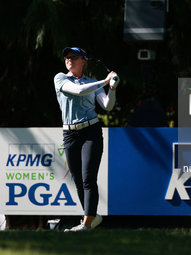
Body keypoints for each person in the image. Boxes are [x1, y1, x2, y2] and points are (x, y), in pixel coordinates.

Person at [54, 47, 119, 231]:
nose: (69, 60)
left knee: (88, 178)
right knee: (77, 180)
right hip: (70, 134)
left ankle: (86, 224)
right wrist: (105, 81)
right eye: (67, 57)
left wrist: (112, 88)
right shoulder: (60, 78)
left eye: (73, 57)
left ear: (83, 61)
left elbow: (107, 105)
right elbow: (79, 91)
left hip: (91, 131)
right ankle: (92, 216)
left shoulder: (92, 82)